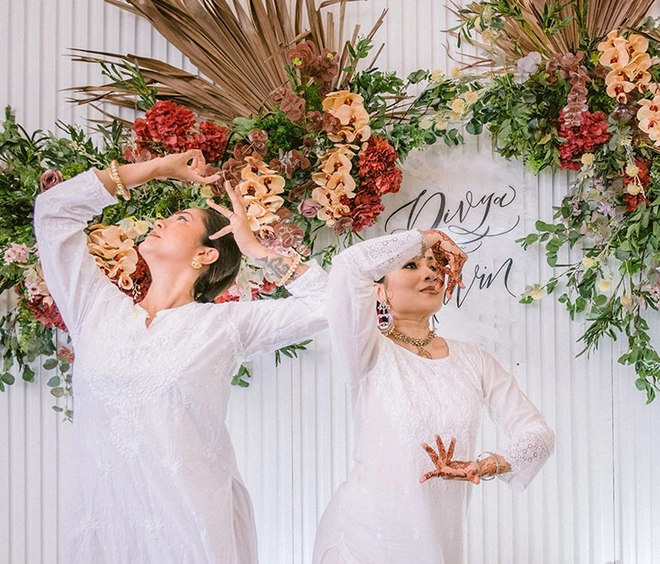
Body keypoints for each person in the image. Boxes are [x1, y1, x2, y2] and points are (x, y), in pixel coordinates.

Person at [33, 150, 328, 564]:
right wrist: (154, 169)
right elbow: (53, 212)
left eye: (180, 220)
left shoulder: (224, 326)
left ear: (206, 254)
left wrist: (258, 251)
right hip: (104, 534)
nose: (160, 221)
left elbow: (331, 305)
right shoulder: (93, 309)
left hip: (192, 535)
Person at [312, 229, 555, 563]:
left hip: (438, 540)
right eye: (410, 265)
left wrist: (485, 465)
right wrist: (431, 237)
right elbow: (348, 267)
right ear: (379, 291)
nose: (430, 273)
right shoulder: (364, 349)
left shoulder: (474, 359)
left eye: (435, 266)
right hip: (363, 539)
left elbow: (537, 433)